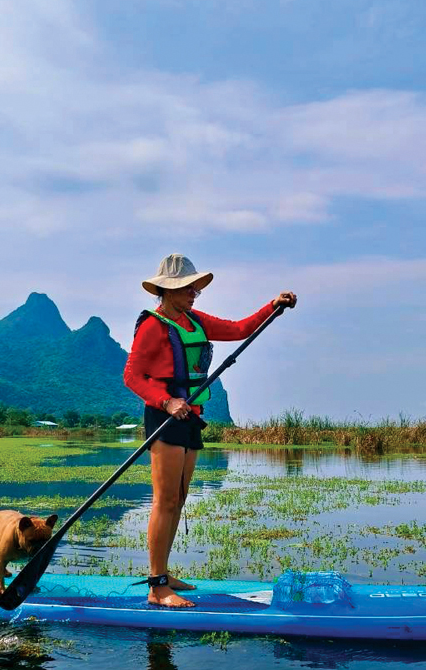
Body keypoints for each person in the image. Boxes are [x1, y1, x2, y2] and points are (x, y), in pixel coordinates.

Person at [123, 253, 297, 608]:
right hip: (166, 418)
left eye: (195, 289)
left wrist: (272, 307)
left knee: (180, 497)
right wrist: (166, 401)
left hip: (191, 417)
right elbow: (132, 377)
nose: (194, 294)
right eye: (187, 289)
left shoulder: (194, 320)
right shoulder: (152, 326)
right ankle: (157, 587)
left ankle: (165, 573)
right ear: (166, 291)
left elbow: (238, 330)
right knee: (165, 499)